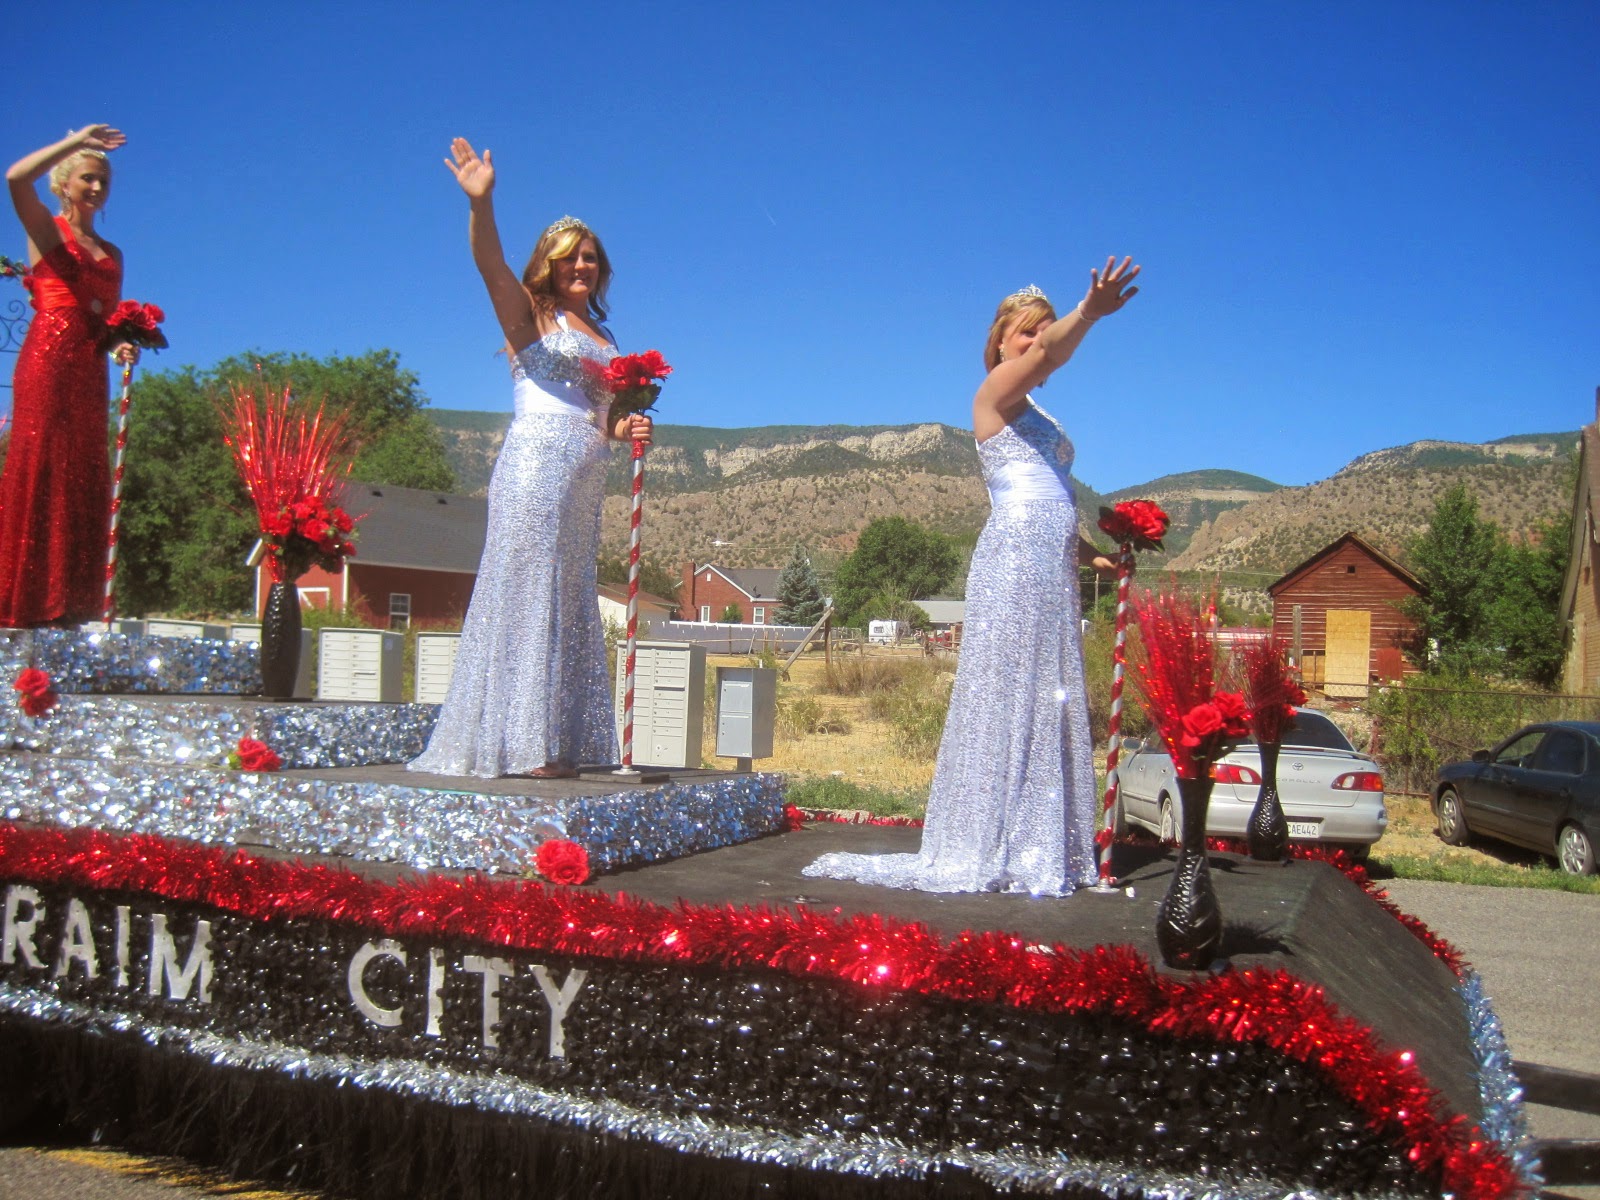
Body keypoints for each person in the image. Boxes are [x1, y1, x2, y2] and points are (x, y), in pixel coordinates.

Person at [804, 260, 1140, 894]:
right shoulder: (994, 396)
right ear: (999, 343)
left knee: (1048, 691)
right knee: (1006, 688)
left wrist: (1098, 557)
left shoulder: (1038, 413)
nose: (1035, 338)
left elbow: (1051, 498)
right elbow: (1048, 357)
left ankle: (1038, 838)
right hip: (1013, 558)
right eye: (1025, 330)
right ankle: (987, 837)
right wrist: (1087, 312)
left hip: (1051, 564)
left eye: (1042, 327)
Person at [409, 139, 652, 779]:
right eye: (569, 256)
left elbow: (600, 414)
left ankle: (560, 739)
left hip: (585, 474)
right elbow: (489, 263)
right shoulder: (531, 316)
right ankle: (520, 743)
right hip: (536, 465)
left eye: (590, 257)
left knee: (568, 593)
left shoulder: (606, 336)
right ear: (548, 264)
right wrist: (481, 203)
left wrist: (626, 425)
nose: (581, 265)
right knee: (526, 586)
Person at [0, 125, 140, 628]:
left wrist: (119, 342)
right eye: (87, 178)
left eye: (104, 180)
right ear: (64, 183)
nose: (97, 187)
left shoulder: (113, 253)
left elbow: (104, 316)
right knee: (43, 464)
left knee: (82, 471)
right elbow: (16, 178)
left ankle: (70, 605)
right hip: (48, 360)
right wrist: (77, 139)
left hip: (90, 366)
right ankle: (23, 603)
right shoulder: (47, 230)